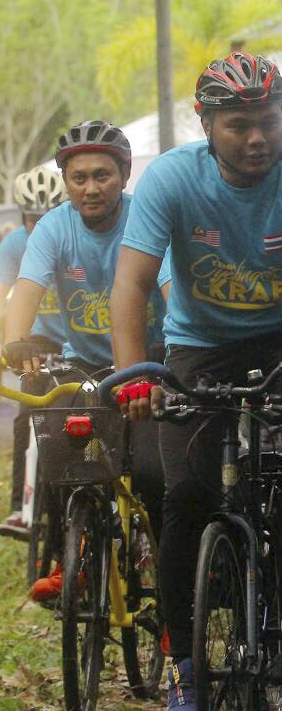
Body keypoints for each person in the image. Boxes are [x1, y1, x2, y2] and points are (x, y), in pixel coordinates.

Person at [110, 51, 282, 711]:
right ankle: (185, 666)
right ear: (207, 126)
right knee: (186, 495)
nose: (258, 138)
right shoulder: (170, 179)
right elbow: (132, 283)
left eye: (269, 121)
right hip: (201, 345)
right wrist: (135, 376)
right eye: (239, 125)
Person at [3, 121, 168, 601]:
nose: (91, 188)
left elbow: (172, 292)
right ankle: (69, 558)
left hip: (148, 363)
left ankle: (167, 577)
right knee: (62, 459)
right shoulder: (54, 226)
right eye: (79, 178)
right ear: (66, 182)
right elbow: (27, 289)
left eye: (103, 175)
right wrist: (17, 341)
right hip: (85, 365)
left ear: (123, 174)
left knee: (154, 474)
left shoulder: (146, 219)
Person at [0, 166, 68, 537]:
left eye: (47, 217)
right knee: (28, 411)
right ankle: (19, 507)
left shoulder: (72, 233)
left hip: (78, 339)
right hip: (37, 340)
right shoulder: (13, 245)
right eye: (31, 219)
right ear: (22, 216)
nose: (39, 225)